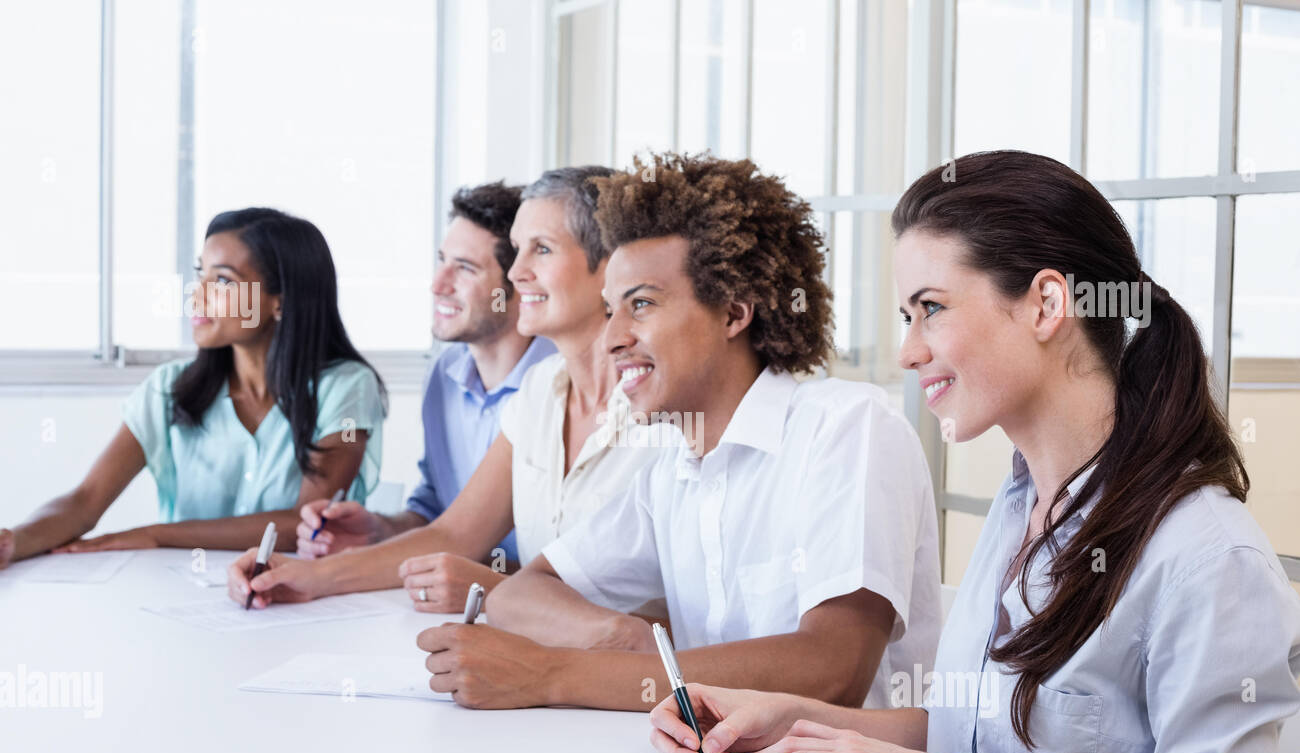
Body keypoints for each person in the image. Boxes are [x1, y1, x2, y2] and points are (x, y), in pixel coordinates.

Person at [648, 150, 1300, 753]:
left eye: (931, 309)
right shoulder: (1024, 503)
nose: (906, 351)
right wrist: (789, 719)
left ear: (1047, 305)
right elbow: (972, 740)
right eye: (906, 315)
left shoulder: (1205, 561)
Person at [418, 152, 943, 712]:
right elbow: (521, 594)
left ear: (733, 313)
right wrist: (624, 643)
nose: (614, 337)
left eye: (641, 304)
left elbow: (830, 670)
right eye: (610, 309)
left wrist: (554, 674)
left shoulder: (846, 428)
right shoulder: (673, 465)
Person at [226, 167, 667, 613]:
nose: (516, 274)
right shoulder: (540, 391)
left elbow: (664, 613)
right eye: (517, 251)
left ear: (610, 268)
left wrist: (495, 590)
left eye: (543, 250)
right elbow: (454, 534)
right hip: (530, 655)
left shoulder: (665, 409)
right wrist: (307, 576)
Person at [0, 208, 386, 568]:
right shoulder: (169, 389)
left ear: (279, 303)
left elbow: (301, 522)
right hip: (182, 591)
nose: (196, 295)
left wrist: (153, 535)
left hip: (298, 597)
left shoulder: (347, 388)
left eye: (221, 280)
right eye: (199, 274)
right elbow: (85, 501)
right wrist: (13, 542)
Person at [294, 181, 554, 567]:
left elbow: (585, 570)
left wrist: (483, 576)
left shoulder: (559, 384)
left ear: (518, 282)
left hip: (530, 612)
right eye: (441, 260)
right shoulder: (444, 374)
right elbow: (434, 514)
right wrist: (376, 531)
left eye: (464, 269)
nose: (438, 285)